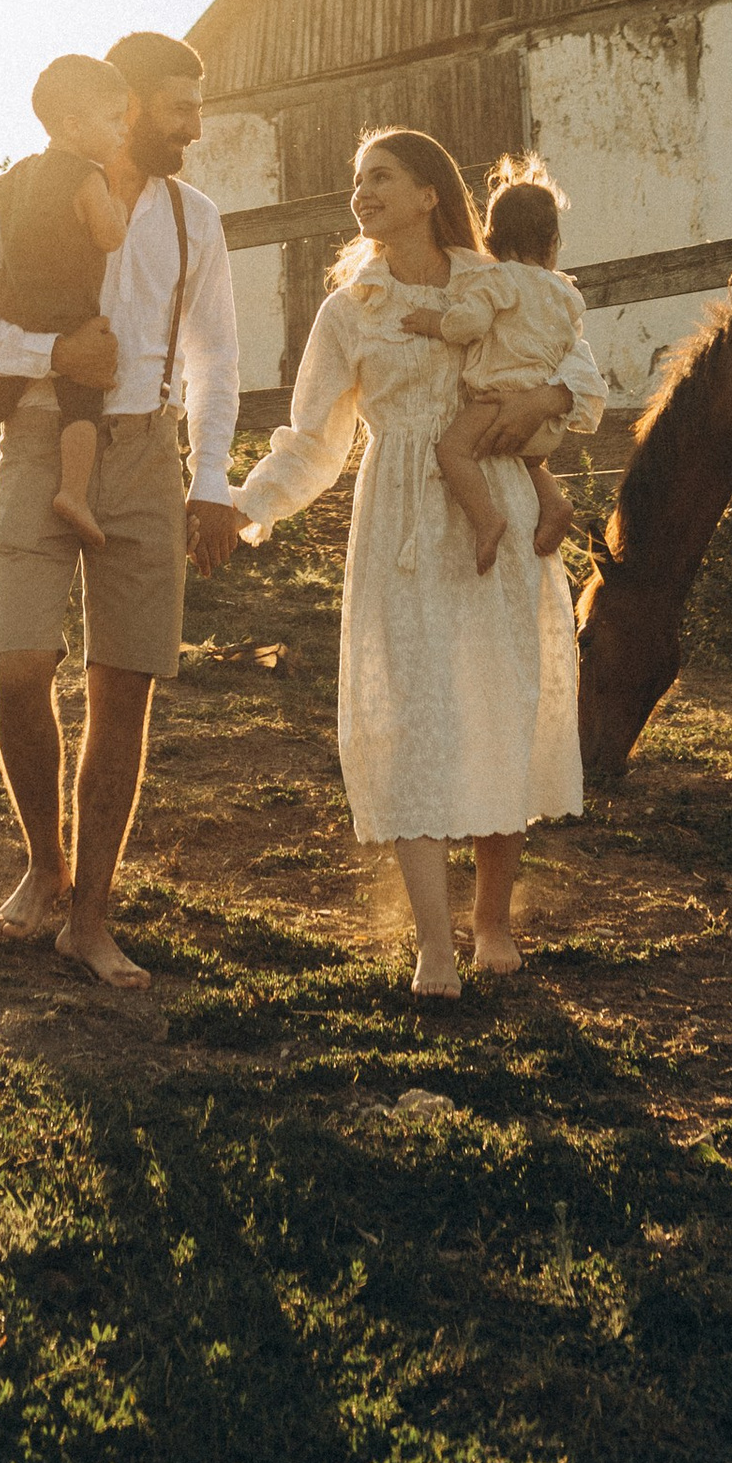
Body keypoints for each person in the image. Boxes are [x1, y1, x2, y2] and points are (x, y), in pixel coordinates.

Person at [234, 128, 605, 1000]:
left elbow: (583, 383)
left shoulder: (499, 282)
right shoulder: (349, 308)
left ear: (429, 193)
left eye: (382, 177)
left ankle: (493, 920)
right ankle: (434, 943)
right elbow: (313, 444)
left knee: (501, 706)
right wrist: (244, 505)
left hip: (498, 512)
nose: (361, 193)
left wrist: (542, 398)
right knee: (411, 720)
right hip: (400, 515)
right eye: (357, 180)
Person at [0, 28, 244, 990]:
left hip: (148, 456)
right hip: (38, 437)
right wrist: (51, 357)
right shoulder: (27, 192)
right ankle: (43, 861)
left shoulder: (196, 219)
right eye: (180, 107)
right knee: (20, 667)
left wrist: (209, 481)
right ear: (130, 105)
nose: (195, 125)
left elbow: (216, 358)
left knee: (125, 687)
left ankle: (90, 914)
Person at [0, 55, 134, 546]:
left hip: (18, 303)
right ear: (74, 125)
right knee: (82, 395)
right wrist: (120, 209)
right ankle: (73, 492)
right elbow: (108, 238)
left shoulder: (20, 173)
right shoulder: (89, 177)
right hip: (68, 310)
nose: (122, 132)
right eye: (113, 120)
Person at [398, 155, 585, 573]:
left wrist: (434, 322)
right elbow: (573, 344)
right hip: (544, 419)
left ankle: (486, 520)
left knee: (452, 450)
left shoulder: (497, 280)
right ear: (552, 244)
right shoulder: (564, 293)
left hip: (500, 401)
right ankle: (553, 502)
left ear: (492, 240)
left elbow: (469, 323)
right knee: (527, 458)